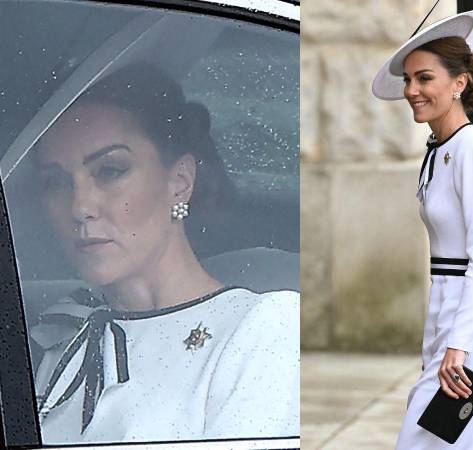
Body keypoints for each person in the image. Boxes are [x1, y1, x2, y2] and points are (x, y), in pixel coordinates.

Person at [30, 63, 299, 444]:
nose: (80, 206)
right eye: (56, 182)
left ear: (179, 182)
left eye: (110, 171)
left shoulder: (265, 329)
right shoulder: (63, 340)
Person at [372, 8, 473, 449]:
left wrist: (459, 344)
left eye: (424, 78)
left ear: (459, 83)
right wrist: (439, 338)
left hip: (472, 327)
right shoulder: (438, 149)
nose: (412, 91)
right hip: (447, 318)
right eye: (409, 79)